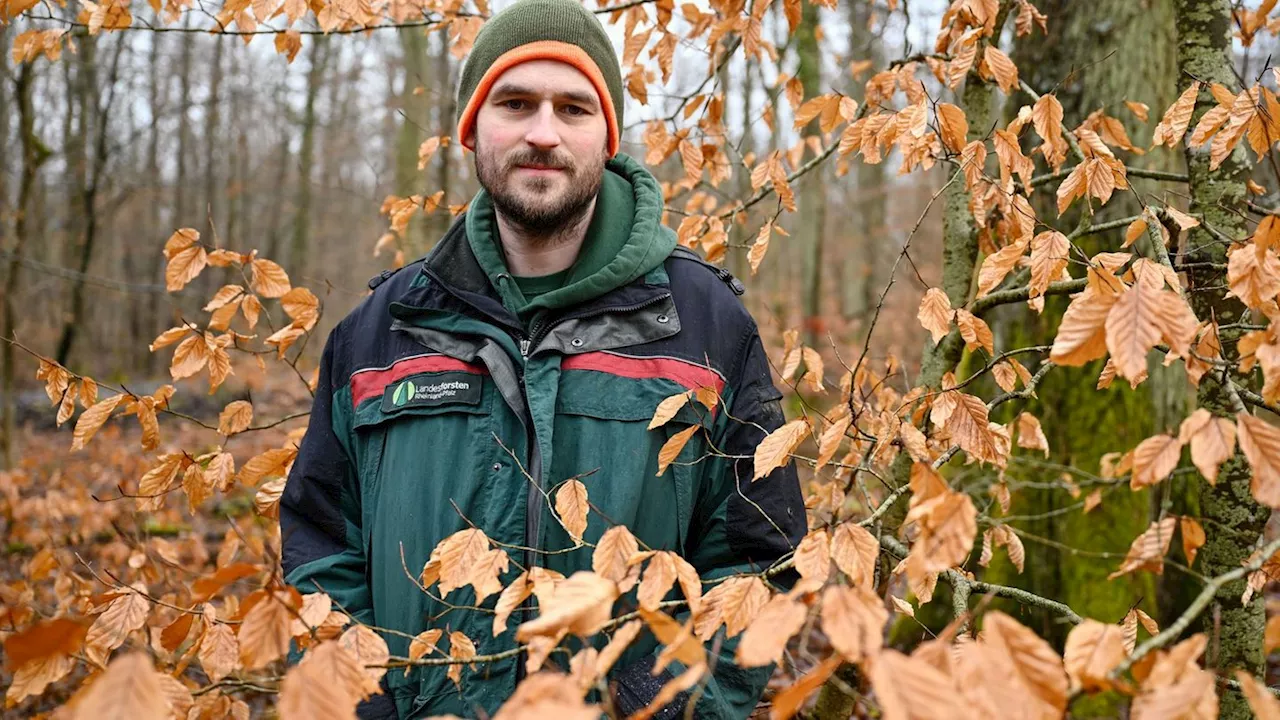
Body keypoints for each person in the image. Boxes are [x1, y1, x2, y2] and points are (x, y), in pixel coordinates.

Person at [279, 0, 807, 716]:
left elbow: (758, 561)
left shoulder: (703, 323)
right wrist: (372, 702)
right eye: (516, 103)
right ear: (474, 127)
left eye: (574, 108)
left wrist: (666, 704)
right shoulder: (381, 331)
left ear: (607, 134)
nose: (542, 133)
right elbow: (319, 549)